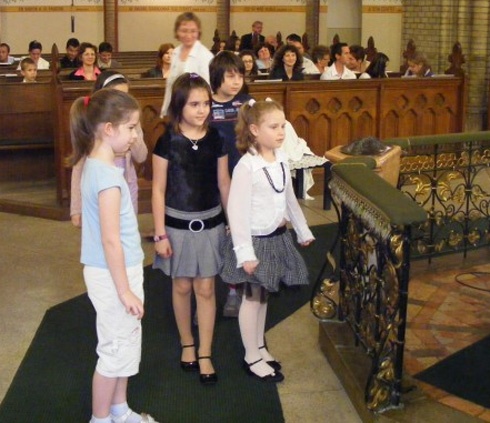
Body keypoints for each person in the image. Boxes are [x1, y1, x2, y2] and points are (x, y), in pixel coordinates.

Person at [69, 88, 158, 423]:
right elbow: (110, 240)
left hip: (118, 269)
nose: (135, 135)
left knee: (125, 343)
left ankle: (120, 410)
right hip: (113, 274)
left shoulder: (99, 166)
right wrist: (124, 291)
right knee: (113, 350)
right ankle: (101, 417)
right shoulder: (106, 176)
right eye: (131, 127)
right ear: (108, 129)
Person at [220, 99, 314, 382]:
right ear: (254, 130)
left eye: (283, 126)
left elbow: (289, 198)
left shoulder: (281, 158)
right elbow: (236, 212)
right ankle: (251, 356)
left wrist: (302, 229)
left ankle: (260, 346)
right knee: (251, 299)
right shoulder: (247, 166)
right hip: (255, 242)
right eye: (274, 127)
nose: (281, 132)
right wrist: (245, 253)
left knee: (264, 296)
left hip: (276, 238)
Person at [152, 73, 230, 385]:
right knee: (182, 286)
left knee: (206, 288)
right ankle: (187, 342)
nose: (202, 110)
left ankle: (205, 351)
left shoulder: (216, 138)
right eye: (194, 104)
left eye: (206, 103)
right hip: (176, 224)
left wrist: (232, 224)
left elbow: (224, 183)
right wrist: (160, 233)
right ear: (179, 106)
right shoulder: (167, 141)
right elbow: (158, 189)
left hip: (211, 222)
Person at [70, 71, 148, 227]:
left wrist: (131, 130)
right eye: (117, 96)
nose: (123, 103)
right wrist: (76, 208)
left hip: (127, 182)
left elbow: (141, 156)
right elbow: (78, 166)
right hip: (100, 187)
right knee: (103, 227)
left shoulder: (131, 124)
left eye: (126, 96)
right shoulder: (92, 125)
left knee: (127, 226)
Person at [209, 51, 251, 317]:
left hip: (242, 179)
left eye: (240, 76)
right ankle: (208, 293)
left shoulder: (247, 104)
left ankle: (236, 291)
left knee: (239, 234)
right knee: (216, 237)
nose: (236, 82)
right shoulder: (204, 103)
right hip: (212, 180)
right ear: (216, 77)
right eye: (230, 76)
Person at [160, 12, 214, 118]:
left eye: (193, 31)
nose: (188, 35)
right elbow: (171, 85)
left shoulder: (205, 56)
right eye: (184, 31)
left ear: (198, 32)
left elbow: (209, 88)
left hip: (196, 111)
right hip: (176, 109)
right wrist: (165, 111)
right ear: (177, 32)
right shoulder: (175, 53)